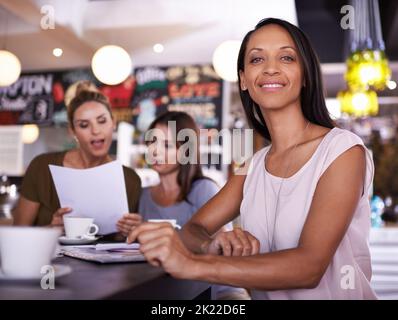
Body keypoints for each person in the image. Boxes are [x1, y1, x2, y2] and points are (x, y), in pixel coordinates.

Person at [127, 18, 377, 299]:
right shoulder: (251, 164)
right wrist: (211, 245)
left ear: (305, 74)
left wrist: (194, 263)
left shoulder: (343, 151)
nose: (271, 68)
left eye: (286, 57)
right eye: (257, 59)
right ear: (244, 80)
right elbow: (194, 229)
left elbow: (309, 267)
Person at [117, 111, 249, 299]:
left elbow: (223, 250)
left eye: (167, 145)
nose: (155, 151)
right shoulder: (143, 195)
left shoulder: (204, 189)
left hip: (217, 293)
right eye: (151, 142)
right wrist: (130, 232)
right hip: (167, 292)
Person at [13, 83, 141, 229]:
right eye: (84, 125)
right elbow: (19, 232)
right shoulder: (42, 167)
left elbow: (123, 242)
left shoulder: (130, 180)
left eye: (102, 121)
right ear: (72, 132)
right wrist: (51, 230)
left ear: (113, 123)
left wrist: (128, 231)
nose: (96, 130)